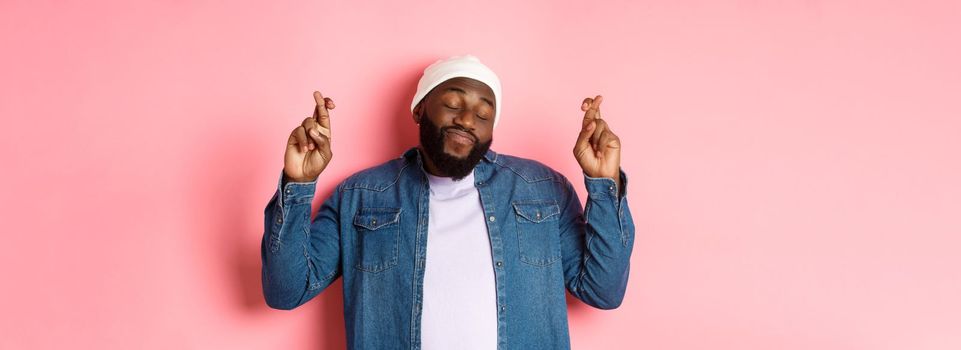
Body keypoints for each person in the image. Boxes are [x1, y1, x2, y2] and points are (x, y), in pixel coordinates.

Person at [262, 55, 635, 350]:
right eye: (453, 103)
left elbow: (603, 290)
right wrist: (299, 182)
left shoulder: (542, 189)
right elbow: (286, 291)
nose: (468, 120)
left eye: (484, 113)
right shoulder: (359, 195)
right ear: (419, 109)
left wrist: (603, 182)